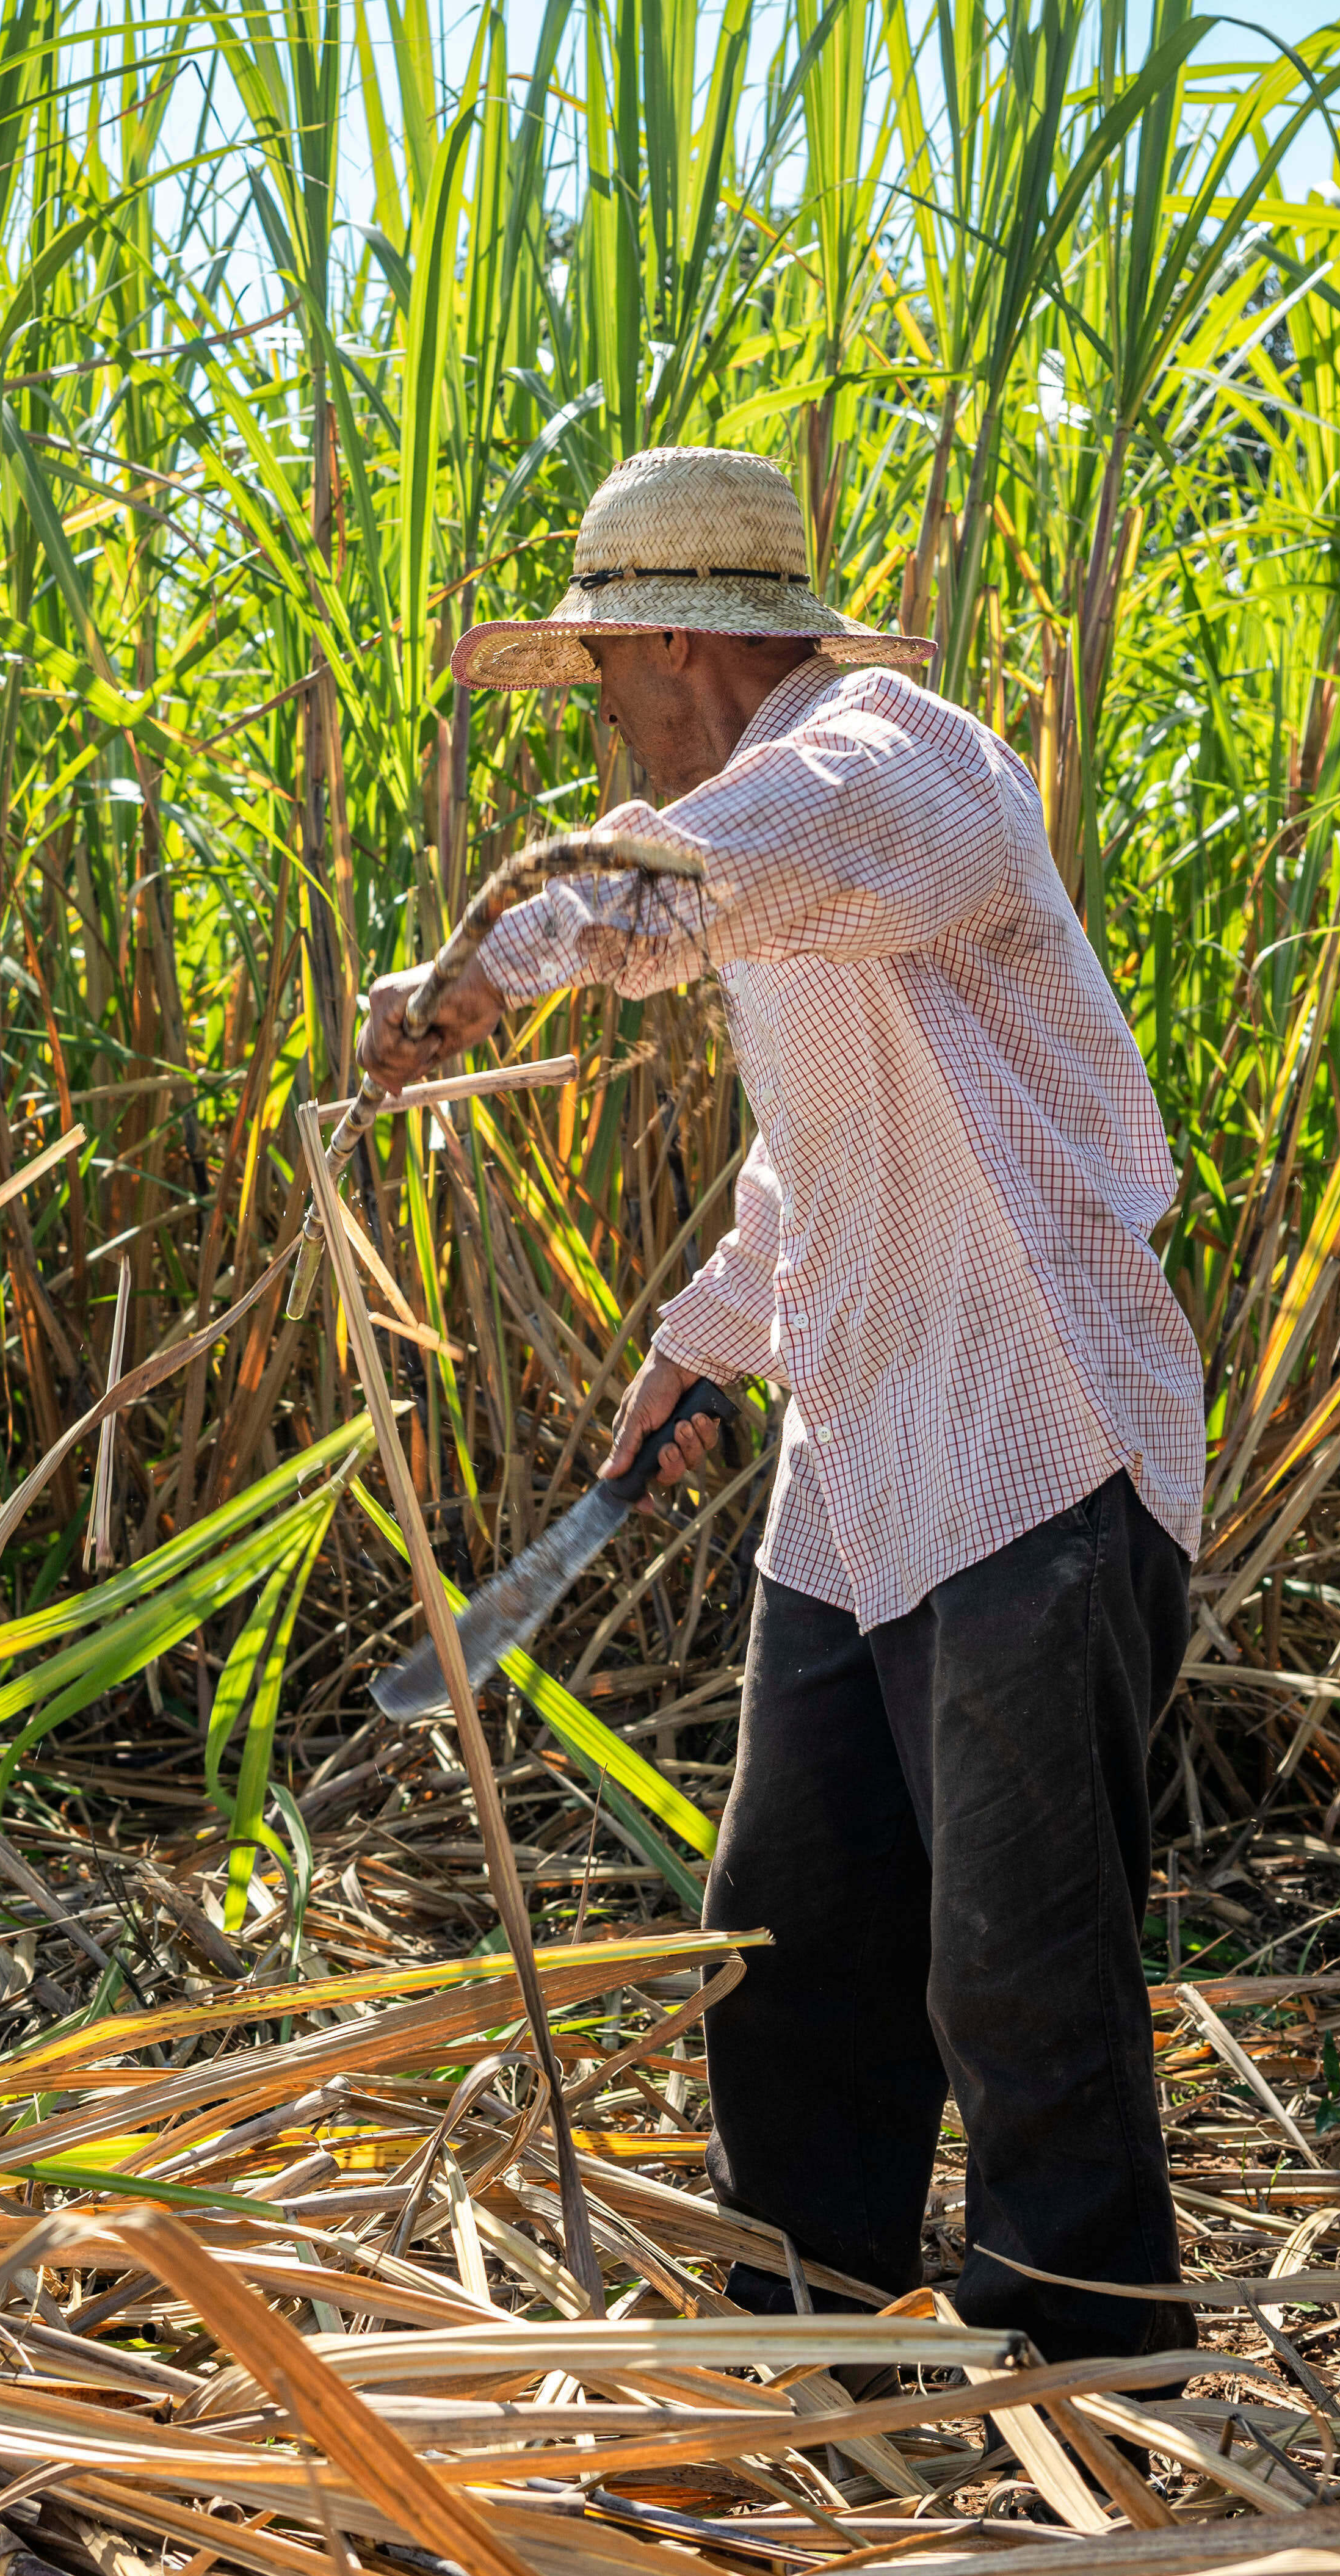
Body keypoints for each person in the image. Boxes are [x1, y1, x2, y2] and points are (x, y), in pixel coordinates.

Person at [358, 442, 1207, 2366]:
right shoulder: (785, 840)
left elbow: (681, 892)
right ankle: (808, 2342)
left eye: (598, 678)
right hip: (863, 1468)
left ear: (672, 640)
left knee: (1016, 1962)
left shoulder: (893, 765)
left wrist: (488, 970)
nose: (597, 725)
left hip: (1041, 1445)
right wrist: (706, 1343)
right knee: (792, 1940)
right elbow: (813, 1152)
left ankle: (1099, 2378)